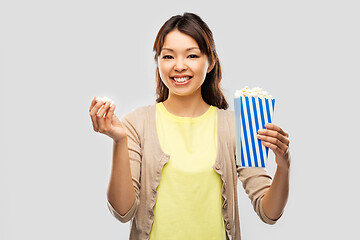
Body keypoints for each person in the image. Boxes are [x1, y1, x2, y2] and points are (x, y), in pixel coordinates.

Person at [89, 12, 290, 240]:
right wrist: (119, 140)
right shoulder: (136, 124)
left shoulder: (235, 126)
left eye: (192, 55)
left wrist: (283, 166)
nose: (179, 66)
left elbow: (269, 212)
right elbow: (123, 212)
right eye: (168, 57)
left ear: (211, 61)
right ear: (158, 62)